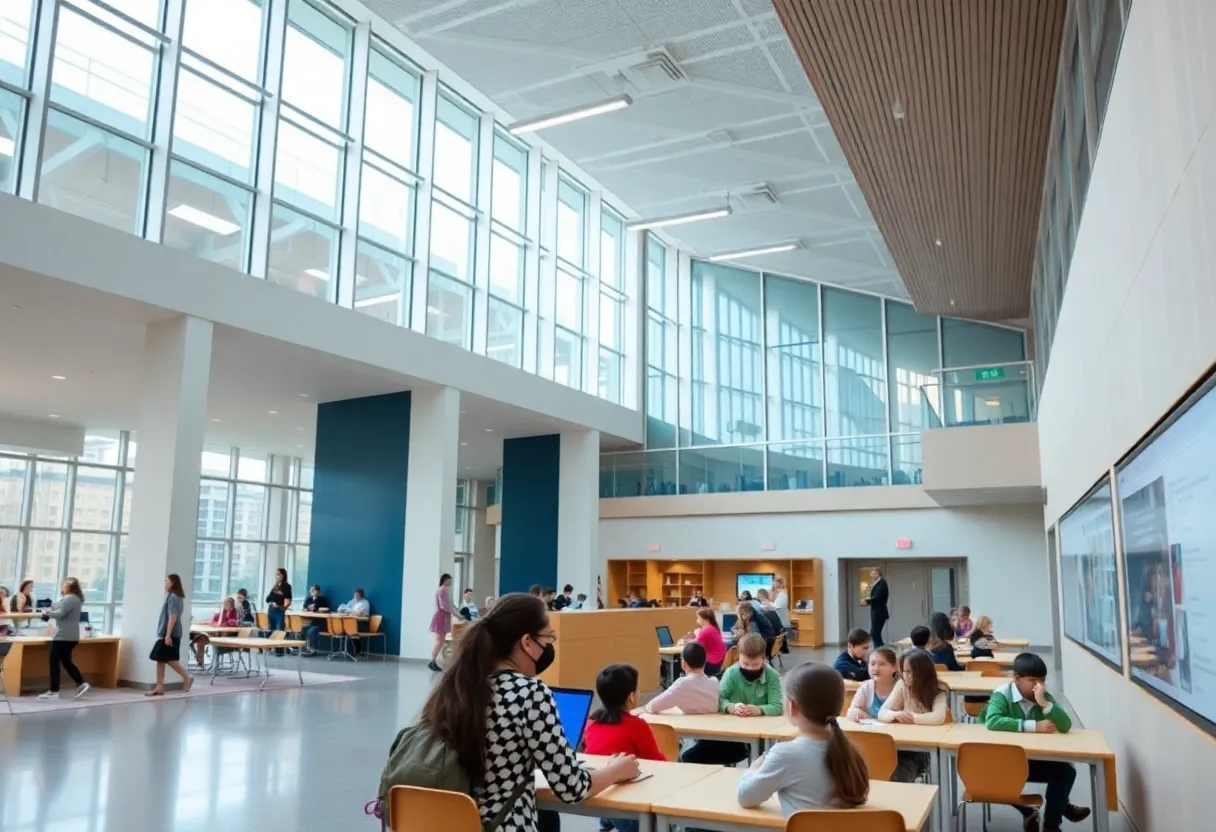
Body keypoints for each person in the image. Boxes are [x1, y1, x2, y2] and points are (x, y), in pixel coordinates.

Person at [417, 592, 640, 831]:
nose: (548, 649)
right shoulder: (530, 692)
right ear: (527, 642)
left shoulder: (455, 686)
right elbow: (572, 787)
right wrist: (615, 771)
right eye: (548, 640)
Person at [737, 663, 869, 815]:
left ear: (792, 707)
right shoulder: (851, 752)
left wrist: (752, 769)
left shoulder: (785, 754)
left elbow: (745, 797)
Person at [984, 653, 1091, 832]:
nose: (1038, 686)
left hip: (1032, 759)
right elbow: (992, 721)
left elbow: (1065, 726)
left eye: (1042, 681)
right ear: (1016, 679)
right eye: (1033, 681)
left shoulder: (1044, 696)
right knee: (989, 779)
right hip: (1006, 760)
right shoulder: (1002, 694)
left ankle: (1052, 824)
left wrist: (1044, 704)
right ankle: (1051, 808)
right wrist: (1034, 726)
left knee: (1065, 772)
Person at [584, 664, 665, 832]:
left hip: (598, 796)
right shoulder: (637, 725)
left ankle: (606, 822)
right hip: (627, 806)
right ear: (631, 697)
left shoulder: (590, 723)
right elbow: (658, 762)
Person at [680, 634, 781, 765]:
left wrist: (759, 710)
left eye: (755, 664)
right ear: (739, 657)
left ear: (763, 659)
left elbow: (777, 706)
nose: (750, 668)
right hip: (724, 734)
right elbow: (718, 699)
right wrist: (731, 707)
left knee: (692, 758)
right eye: (745, 663)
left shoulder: (772, 676)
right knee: (688, 758)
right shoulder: (731, 673)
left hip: (750, 740)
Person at [878, 650, 948, 781]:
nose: (906, 676)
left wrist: (912, 718)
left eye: (911, 672)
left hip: (922, 750)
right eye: (904, 671)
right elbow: (882, 712)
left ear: (923, 672)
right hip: (899, 746)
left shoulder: (938, 689)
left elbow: (938, 717)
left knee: (898, 774)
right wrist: (897, 714)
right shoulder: (902, 685)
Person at [37, 578, 89, 700]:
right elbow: (57, 607)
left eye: (63, 586)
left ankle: (54, 691)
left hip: (63, 636)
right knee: (66, 661)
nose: (62, 588)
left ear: (68, 587)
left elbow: (60, 613)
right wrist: (48, 608)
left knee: (54, 662)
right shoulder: (72, 599)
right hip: (68, 636)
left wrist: (47, 613)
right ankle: (81, 683)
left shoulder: (72, 598)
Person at [147, 574, 193, 696]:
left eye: (166, 581)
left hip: (171, 634)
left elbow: (173, 617)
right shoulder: (173, 597)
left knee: (169, 659)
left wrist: (168, 635)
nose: (164, 584)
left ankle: (187, 676)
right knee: (160, 659)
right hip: (170, 633)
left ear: (173, 583)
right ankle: (159, 687)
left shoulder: (173, 597)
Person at [645, 642, 720, 714]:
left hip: (687, 726)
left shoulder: (682, 684)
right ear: (705, 662)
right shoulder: (714, 682)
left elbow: (652, 706)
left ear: (683, 664)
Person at [847, 647, 899, 720]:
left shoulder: (901, 688)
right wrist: (859, 714)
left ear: (894, 667)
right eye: (872, 664)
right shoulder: (866, 687)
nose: (876, 668)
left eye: (882, 664)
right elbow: (851, 711)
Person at [192, 596, 241, 666]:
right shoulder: (221, 613)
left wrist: (219, 623)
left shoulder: (234, 613)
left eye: (227, 604)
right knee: (201, 639)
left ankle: (200, 658)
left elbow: (227, 624)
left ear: (232, 605)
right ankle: (200, 662)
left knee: (202, 637)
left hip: (226, 638)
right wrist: (218, 620)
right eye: (224, 603)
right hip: (217, 635)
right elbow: (213, 621)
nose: (225, 605)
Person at [428, 573, 460, 672]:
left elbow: (450, 604)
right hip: (441, 617)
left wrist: (457, 612)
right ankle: (432, 661)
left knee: (440, 641)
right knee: (440, 641)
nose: (450, 582)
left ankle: (433, 661)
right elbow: (444, 606)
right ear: (445, 580)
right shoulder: (442, 590)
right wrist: (456, 614)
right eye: (449, 580)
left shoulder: (443, 590)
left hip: (443, 616)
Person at [687, 608, 727, 676]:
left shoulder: (706, 630)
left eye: (698, 618)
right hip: (718, 660)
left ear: (705, 619)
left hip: (711, 661)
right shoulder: (713, 628)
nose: (697, 620)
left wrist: (686, 642)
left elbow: (694, 646)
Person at [265, 568, 292, 654]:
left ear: (283, 575)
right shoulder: (275, 586)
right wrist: (276, 597)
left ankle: (279, 649)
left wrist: (277, 598)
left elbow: (287, 599)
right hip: (271, 609)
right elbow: (268, 598)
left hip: (280, 610)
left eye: (279, 574)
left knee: (279, 629)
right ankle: (272, 647)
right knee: (272, 628)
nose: (277, 576)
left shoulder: (287, 586)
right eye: (276, 574)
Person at [862, 567, 889, 646]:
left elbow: (878, 596)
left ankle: (879, 649)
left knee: (875, 633)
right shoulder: (877, 583)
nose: (872, 575)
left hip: (879, 612)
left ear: (878, 574)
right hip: (876, 611)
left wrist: (868, 600)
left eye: (874, 573)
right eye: (872, 573)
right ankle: (880, 648)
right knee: (875, 633)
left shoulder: (882, 583)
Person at [300, 585, 330, 656]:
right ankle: (304, 648)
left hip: (321, 623)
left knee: (312, 631)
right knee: (303, 629)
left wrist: (315, 607)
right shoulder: (309, 599)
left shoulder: (323, 599)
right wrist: (307, 608)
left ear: (318, 591)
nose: (312, 592)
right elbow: (304, 607)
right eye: (311, 590)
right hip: (312, 621)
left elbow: (325, 608)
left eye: (313, 590)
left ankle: (313, 650)